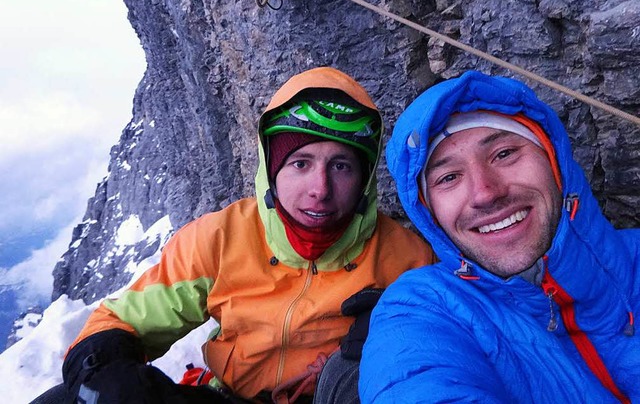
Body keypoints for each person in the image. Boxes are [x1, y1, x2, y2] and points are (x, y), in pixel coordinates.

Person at [48, 67, 435, 404]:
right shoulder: (221, 238)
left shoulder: (407, 259)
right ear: (272, 169)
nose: (320, 188)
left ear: (364, 180)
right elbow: (121, 319)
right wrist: (104, 368)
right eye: (300, 163)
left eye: (341, 166)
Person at [359, 70, 640, 403]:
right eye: (448, 177)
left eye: (504, 154)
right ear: (429, 212)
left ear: (554, 161)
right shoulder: (419, 312)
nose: (485, 193)